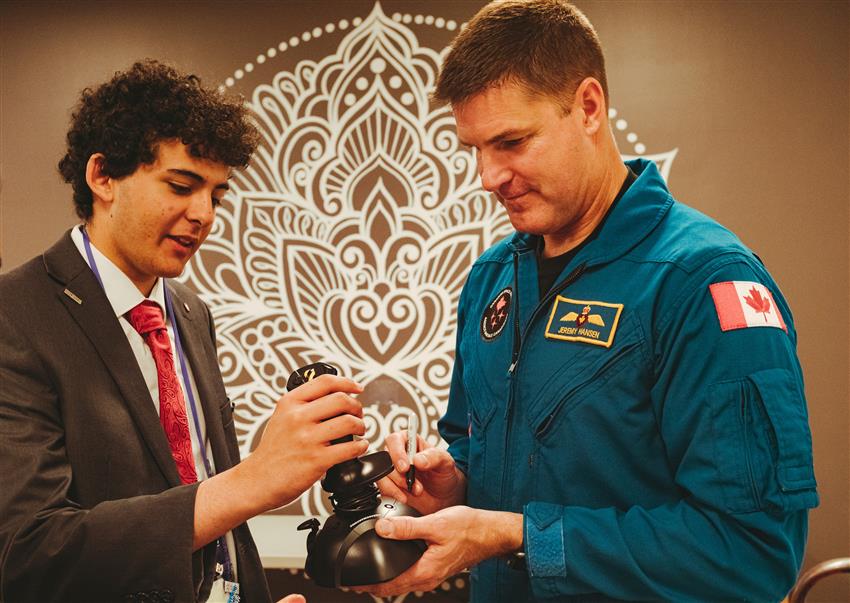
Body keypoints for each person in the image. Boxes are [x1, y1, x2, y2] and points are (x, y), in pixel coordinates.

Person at [361, 1, 819, 601]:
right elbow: (489, 461)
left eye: (511, 142)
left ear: (588, 107)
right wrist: (454, 487)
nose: (488, 176)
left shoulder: (703, 281)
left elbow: (752, 552)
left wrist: (519, 536)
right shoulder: (493, 278)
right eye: (474, 148)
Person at [0, 60, 369, 603]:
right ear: (103, 177)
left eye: (216, 196)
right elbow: (28, 551)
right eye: (181, 185)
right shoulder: (15, 315)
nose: (204, 215)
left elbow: (207, 501)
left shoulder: (191, 313)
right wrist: (254, 480)